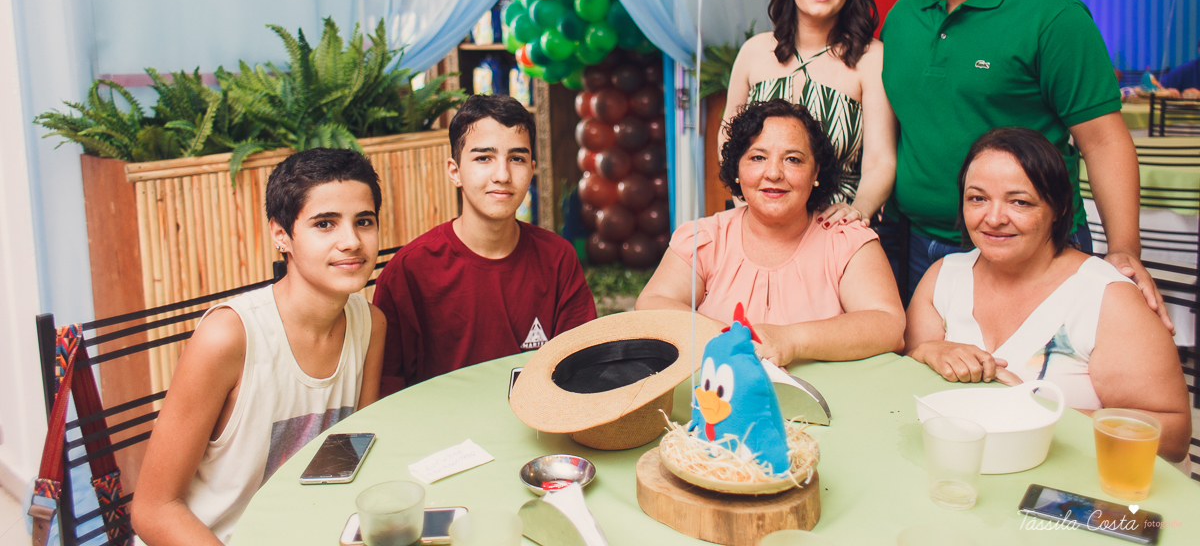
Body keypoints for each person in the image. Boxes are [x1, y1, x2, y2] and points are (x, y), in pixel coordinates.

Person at [881, 0, 1171, 332]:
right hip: (921, 249)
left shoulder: (1052, 14)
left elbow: (1103, 141)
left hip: (1033, 247)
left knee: (1035, 388)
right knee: (932, 387)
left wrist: (1123, 250)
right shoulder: (901, 17)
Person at [132, 149, 388, 545]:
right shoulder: (229, 336)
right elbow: (153, 510)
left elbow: (355, 456)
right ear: (280, 234)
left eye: (364, 221)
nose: (351, 241)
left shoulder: (370, 324)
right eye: (325, 224)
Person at [905, 128, 1190, 461]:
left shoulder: (1105, 298)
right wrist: (929, 350)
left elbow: (1172, 436)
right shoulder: (944, 277)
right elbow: (907, 388)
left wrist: (1037, 411)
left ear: (1058, 208)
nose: (994, 218)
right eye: (977, 198)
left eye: (1020, 202)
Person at [635, 99, 906, 366]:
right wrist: (734, 339)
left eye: (793, 159)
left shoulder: (846, 240)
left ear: (816, 171)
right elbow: (651, 304)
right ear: (737, 169)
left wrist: (792, 339)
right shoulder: (705, 238)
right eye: (757, 157)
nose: (774, 173)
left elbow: (888, 325)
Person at [372, 94, 596, 394]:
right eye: (483, 158)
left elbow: (581, 365)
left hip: (536, 427)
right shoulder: (409, 271)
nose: (502, 175)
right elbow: (387, 390)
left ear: (531, 169)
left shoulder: (557, 257)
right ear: (455, 171)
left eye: (516, 159)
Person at [723, 0, 895, 226]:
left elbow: (881, 160)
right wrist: (749, 208)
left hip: (836, 229)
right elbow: (729, 143)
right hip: (757, 223)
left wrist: (859, 209)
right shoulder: (753, 52)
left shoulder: (873, 58)